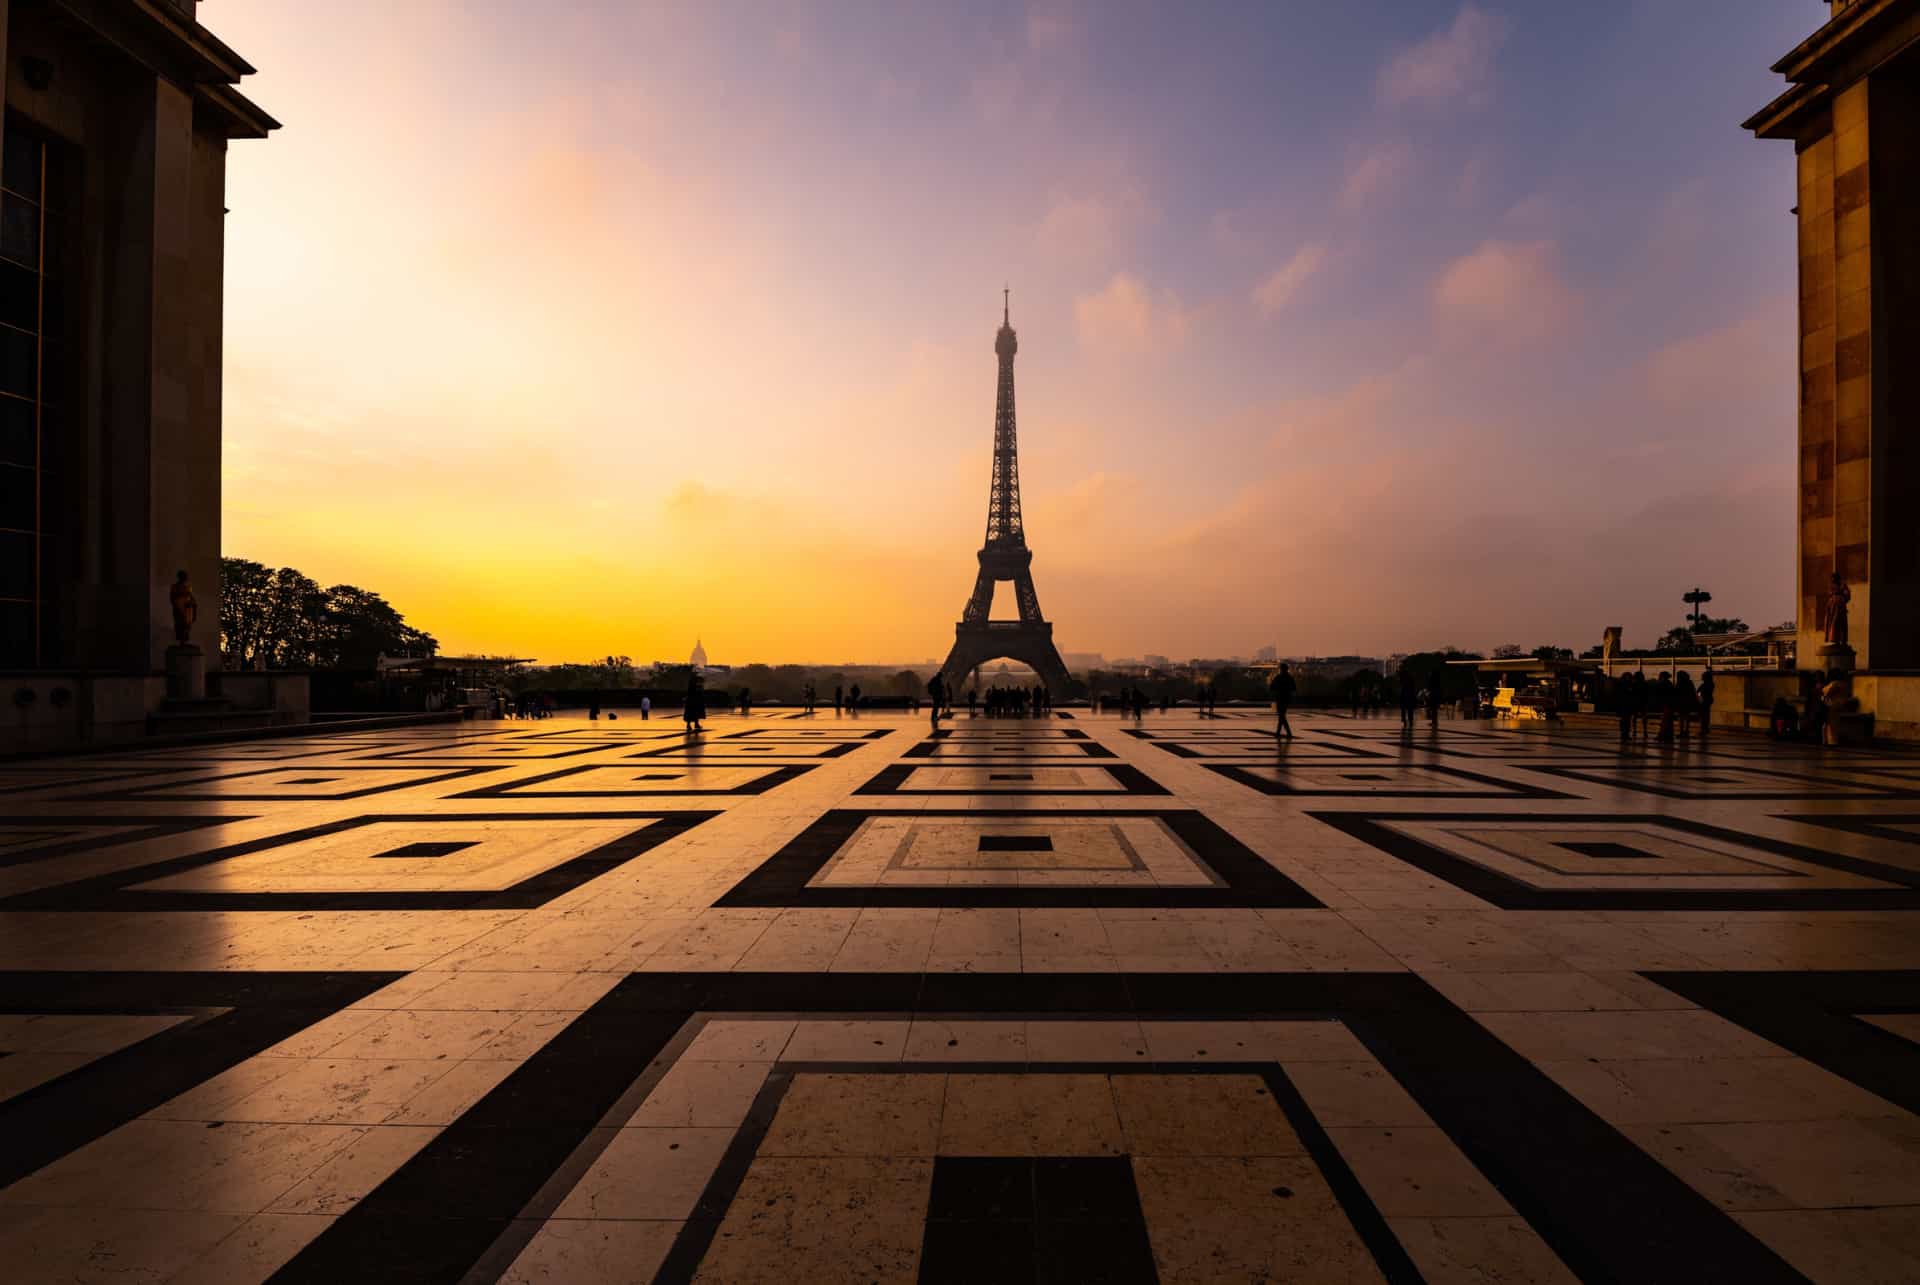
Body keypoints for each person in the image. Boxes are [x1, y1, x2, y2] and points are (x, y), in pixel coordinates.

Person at [1270, 663, 1297, 739]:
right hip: (1286, 698)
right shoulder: (1289, 677)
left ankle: (1285, 732)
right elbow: (1293, 688)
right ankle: (1281, 732)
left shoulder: (1278, 677)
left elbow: (1271, 687)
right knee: (1282, 716)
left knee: (1281, 716)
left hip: (1279, 698)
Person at [1674, 671, 1697, 741]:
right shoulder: (1690, 682)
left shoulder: (1679, 683)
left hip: (1681, 702)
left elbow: (1676, 692)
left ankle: (1681, 731)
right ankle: (1686, 731)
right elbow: (1693, 692)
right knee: (1687, 717)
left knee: (1681, 717)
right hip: (1688, 702)